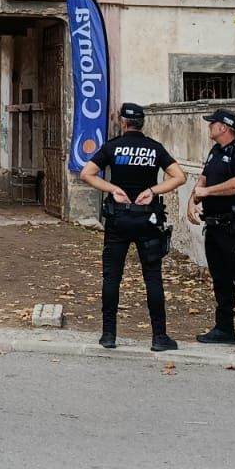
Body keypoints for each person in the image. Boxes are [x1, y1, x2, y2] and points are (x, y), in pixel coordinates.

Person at [78, 101, 187, 352]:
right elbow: (179, 176)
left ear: (123, 122)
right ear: (142, 123)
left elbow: (87, 173)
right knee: (152, 277)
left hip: (118, 220)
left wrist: (113, 188)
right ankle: (159, 337)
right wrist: (152, 190)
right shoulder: (154, 148)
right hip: (147, 220)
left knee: (112, 277)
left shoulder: (112, 147)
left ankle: (108, 334)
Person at [187, 108, 235, 352]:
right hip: (214, 226)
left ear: (224, 127)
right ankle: (224, 329)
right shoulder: (215, 152)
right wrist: (193, 200)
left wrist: (208, 192)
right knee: (220, 279)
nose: (209, 126)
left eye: (213, 124)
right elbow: (203, 178)